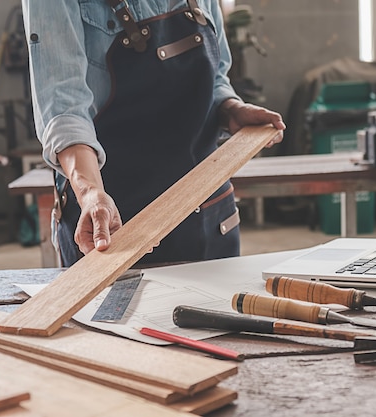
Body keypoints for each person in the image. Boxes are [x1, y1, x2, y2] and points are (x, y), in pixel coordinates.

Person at [22, 0, 285, 267]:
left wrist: (231, 108)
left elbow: (217, 76)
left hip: (209, 211)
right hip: (115, 223)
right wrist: (90, 192)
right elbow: (64, 110)